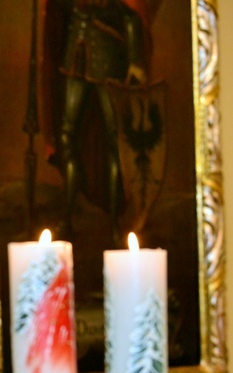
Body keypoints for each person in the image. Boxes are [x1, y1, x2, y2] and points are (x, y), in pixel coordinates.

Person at [44, 0, 150, 243]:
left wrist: (134, 58)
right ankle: (68, 217)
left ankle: (114, 223)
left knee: (114, 142)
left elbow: (130, 17)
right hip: (76, 57)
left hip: (108, 58)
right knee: (67, 138)